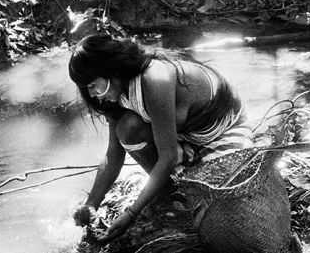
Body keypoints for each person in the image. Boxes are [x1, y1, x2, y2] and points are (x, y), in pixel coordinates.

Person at [68, 33, 252, 242]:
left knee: (220, 206)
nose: (92, 94)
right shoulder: (115, 93)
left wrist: (131, 214)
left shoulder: (154, 79)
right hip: (186, 136)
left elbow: (168, 157)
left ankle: (172, 189)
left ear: (110, 70)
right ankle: (167, 191)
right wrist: (92, 203)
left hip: (221, 132)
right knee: (127, 129)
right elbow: (113, 154)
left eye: (93, 85)